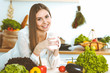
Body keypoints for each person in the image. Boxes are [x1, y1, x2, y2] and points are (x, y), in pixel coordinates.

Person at [0, 3, 61, 70]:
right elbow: (28, 65)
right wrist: (39, 47)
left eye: (46, 17)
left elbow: (54, 66)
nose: (45, 22)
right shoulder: (23, 34)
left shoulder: (51, 34)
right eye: (39, 19)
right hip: (5, 66)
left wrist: (56, 50)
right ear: (33, 21)